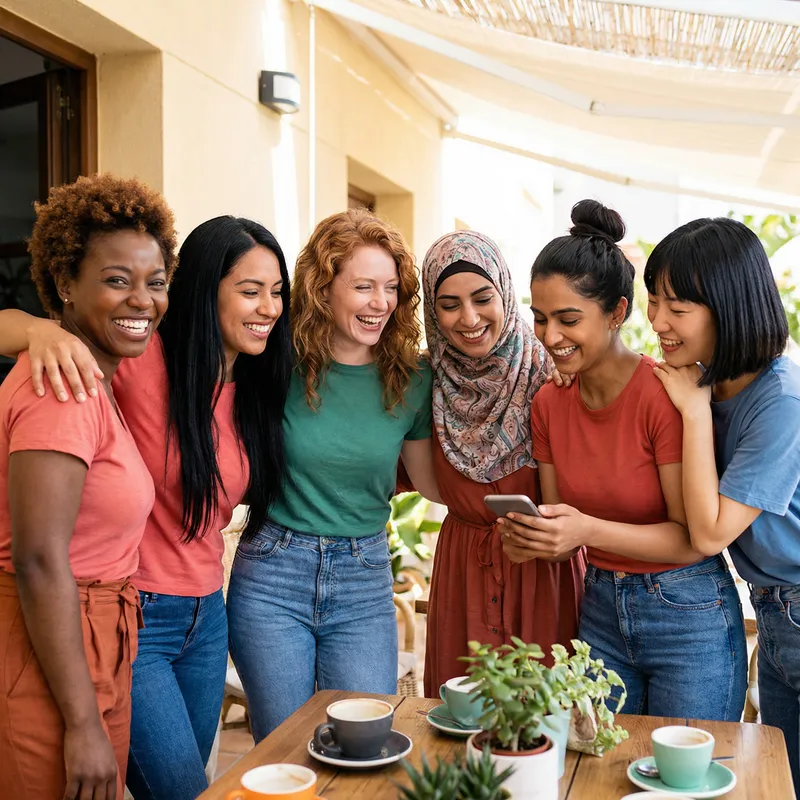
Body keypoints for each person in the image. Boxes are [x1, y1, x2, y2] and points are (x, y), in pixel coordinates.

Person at [0, 216, 292, 799]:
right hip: (138, 614)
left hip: (208, 614)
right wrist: (40, 331)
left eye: (277, 291)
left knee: (195, 783)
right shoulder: (137, 357)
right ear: (204, 291)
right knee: (179, 789)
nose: (268, 307)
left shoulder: (259, 384)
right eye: (249, 290)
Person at [499, 200, 746, 721]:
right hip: (600, 612)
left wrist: (582, 530)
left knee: (686, 781)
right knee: (599, 777)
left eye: (569, 319)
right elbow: (561, 521)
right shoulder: (548, 402)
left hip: (688, 614)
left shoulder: (665, 396)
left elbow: (688, 538)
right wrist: (537, 540)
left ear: (616, 312)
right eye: (540, 319)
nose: (549, 337)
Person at [227, 208, 440, 741]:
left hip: (363, 578)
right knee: (283, 754)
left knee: (363, 747)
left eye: (390, 287)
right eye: (364, 286)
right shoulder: (274, 362)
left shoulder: (411, 378)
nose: (380, 303)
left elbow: (432, 485)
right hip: (273, 575)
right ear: (324, 289)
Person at [0, 174, 176, 800]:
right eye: (117, 280)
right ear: (66, 286)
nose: (142, 301)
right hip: (52, 641)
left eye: (155, 283)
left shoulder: (94, 376)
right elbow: (39, 557)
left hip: (98, 635)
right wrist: (81, 721)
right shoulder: (63, 386)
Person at [645, 217, 800, 793]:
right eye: (654, 301)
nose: (658, 322)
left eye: (677, 308)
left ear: (728, 307)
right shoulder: (710, 380)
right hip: (776, 608)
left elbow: (708, 532)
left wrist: (691, 411)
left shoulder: (780, 399)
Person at [419, 230, 585, 696]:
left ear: (505, 295)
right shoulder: (425, 382)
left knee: (547, 723)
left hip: (543, 569)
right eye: (449, 304)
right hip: (462, 573)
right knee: (458, 724)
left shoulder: (554, 374)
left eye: (482, 297)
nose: (468, 318)